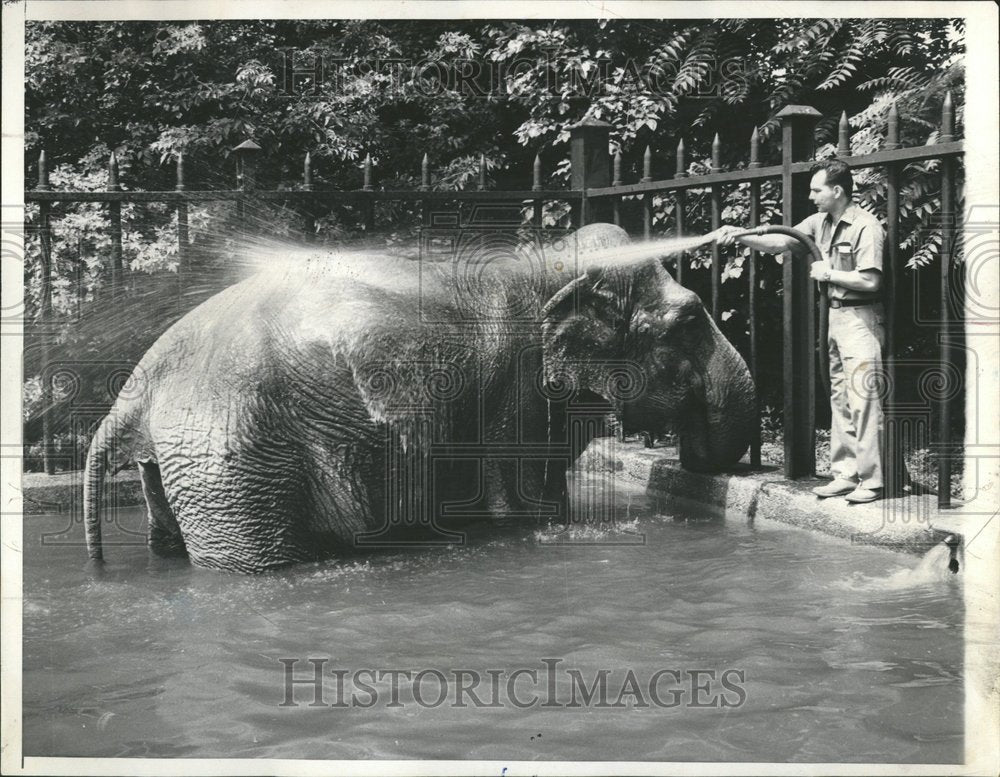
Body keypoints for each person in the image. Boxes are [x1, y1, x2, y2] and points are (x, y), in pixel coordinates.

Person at [714, 159, 886, 504]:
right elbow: (782, 242)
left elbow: (870, 279)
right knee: (840, 396)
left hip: (860, 318)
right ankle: (846, 473)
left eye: (816, 190)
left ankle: (873, 480)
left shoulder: (866, 227)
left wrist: (828, 275)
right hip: (836, 319)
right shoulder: (819, 222)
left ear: (837, 191)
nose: (811, 196)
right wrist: (741, 234)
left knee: (863, 398)